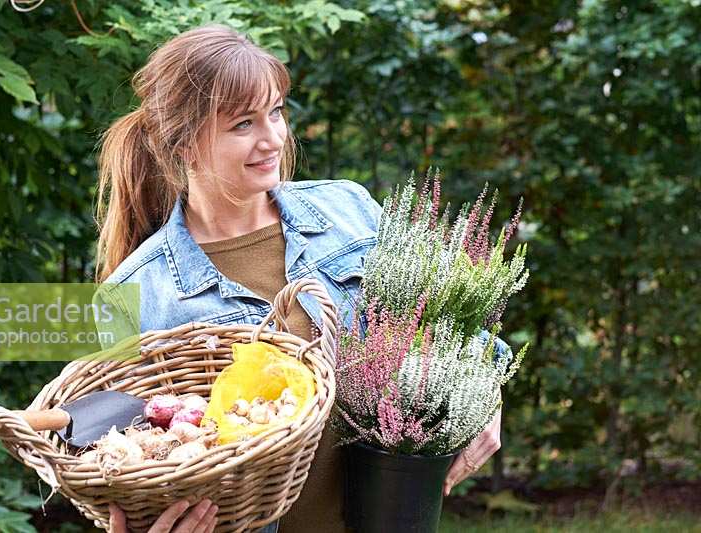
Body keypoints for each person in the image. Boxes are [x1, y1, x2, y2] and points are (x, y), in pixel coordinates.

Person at [94, 24, 503, 533]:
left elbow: (453, 320)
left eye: (277, 112)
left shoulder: (348, 211)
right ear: (181, 145)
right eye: (243, 124)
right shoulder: (134, 294)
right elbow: (113, 462)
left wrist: (482, 386)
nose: (273, 138)